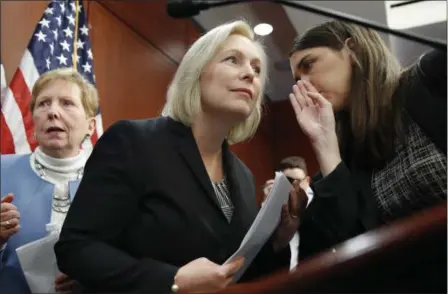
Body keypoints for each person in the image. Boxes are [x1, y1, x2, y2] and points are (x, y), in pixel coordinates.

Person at [55, 20, 302, 293]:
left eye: (257, 69)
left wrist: (279, 241)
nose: (250, 74)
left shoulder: (244, 176)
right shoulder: (134, 142)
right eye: (233, 60)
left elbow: (237, 272)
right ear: (196, 72)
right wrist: (171, 280)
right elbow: (76, 247)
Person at [287, 20, 447, 261]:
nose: (302, 84)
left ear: (353, 50)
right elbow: (354, 242)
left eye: (309, 64)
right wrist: (325, 145)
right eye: (297, 78)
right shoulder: (347, 150)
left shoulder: (427, 78)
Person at [0, 68, 99, 293]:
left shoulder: (112, 182)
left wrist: (90, 278)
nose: (53, 112)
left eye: (67, 103)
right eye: (43, 103)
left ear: (90, 126)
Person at [262, 156, 313, 270]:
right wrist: (267, 206)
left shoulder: (317, 208)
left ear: (307, 181)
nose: (294, 187)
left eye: (298, 181)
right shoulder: (273, 207)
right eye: (289, 181)